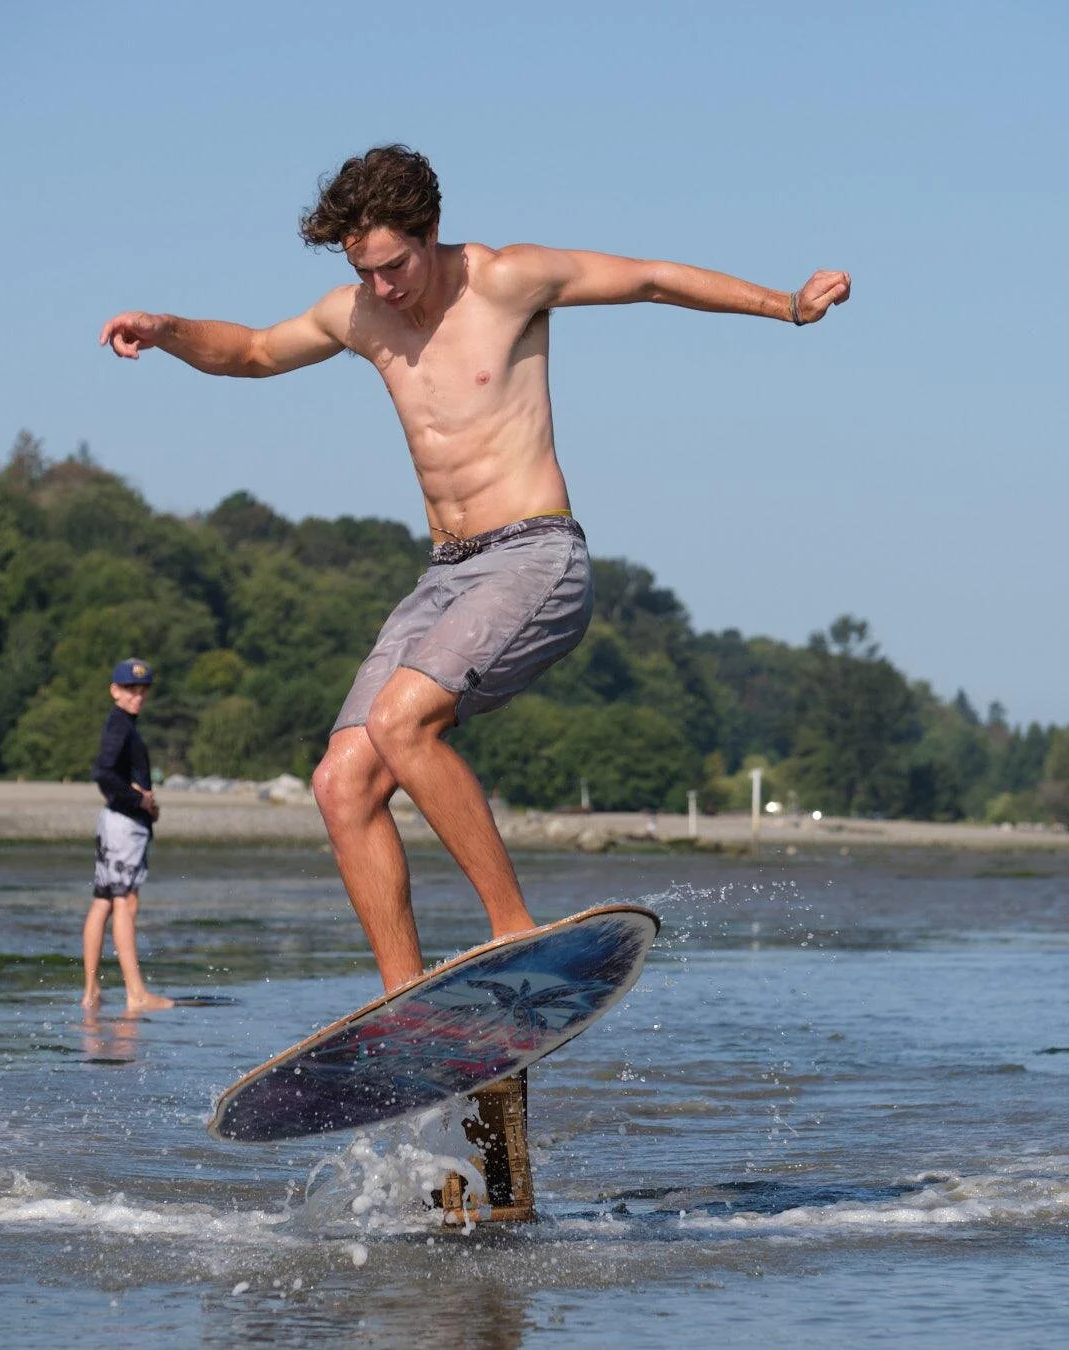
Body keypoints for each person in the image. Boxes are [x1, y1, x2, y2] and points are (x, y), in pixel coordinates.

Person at [100, 145, 850, 994]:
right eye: (365, 272)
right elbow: (252, 352)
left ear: (431, 233)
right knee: (340, 783)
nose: (383, 288)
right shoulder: (361, 316)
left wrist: (786, 305)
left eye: (394, 266)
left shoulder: (508, 280)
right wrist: (165, 332)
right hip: (446, 575)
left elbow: (650, 278)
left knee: (402, 721)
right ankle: (404, 1006)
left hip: (537, 556)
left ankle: (514, 930)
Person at [83, 658, 174, 1011]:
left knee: (103, 901)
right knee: (126, 902)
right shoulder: (121, 725)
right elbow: (103, 773)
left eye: (142, 690)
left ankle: (91, 992)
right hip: (123, 824)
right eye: (130, 690)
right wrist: (141, 799)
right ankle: (136, 993)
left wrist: (145, 804)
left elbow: (110, 774)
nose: (137, 696)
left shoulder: (120, 724)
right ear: (114, 690)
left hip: (115, 821)